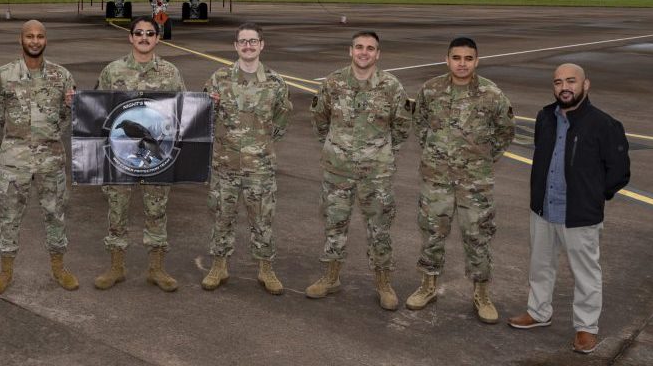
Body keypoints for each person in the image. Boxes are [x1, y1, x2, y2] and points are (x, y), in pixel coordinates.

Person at [507, 64, 630, 354]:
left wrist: (592, 196)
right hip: (543, 209)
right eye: (558, 81)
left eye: (571, 81)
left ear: (585, 84)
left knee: (586, 272)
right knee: (540, 266)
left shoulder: (604, 124)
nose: (565, 86)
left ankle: (586, 327)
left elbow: (618, 172)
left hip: (579, 214)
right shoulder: (544, 118)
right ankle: (538, 312)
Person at [405, 36, 515, 323]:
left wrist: (483, 160)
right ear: (447, 59)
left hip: (474, 183)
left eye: (468, 58)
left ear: (476, 61)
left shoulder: (491, 94)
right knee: (432, 233)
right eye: (457, 58)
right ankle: (428, 286)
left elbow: (505, 131)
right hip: (437, 179)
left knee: (478, 236)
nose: (462, 63)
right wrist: (436, 153)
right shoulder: (431, 90)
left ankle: (482, 293)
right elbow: (420, 124)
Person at [306, 31, 411, 310]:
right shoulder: (333, 83)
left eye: (370, 48)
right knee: (334, 224)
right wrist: (336, 148)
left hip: (376, 174)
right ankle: (331, 277)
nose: (364, 52)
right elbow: (319, 120)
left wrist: (381, 153)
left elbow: (402, 128)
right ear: (350, 51)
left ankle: (383, 283)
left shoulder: (391, 87)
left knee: (380, 229)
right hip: (338, 170)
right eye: (359, 47)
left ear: (378, 54)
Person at [0, 20, 78, 295]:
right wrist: (17, 138)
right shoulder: (3, 75)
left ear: (45, 40)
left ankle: (59, 268)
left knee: (55, 214)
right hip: (15, 161)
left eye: (39, 36)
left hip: (51, 160)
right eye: (29, 36)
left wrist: (48, 135)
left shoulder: (61, 76)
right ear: (21, 39)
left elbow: (68, 113)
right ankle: (5, 271)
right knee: (9, 217)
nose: (34, 41)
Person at [94, 16, 186, 292]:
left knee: (157, 210)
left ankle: (156, 269)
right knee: (116, 210)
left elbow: (183, 109)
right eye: (139, 33)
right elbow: (98, 108)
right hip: (120, 158)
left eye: (150, 33)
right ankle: (116, 267)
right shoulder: (112, 71)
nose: (144, 37)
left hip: (157, 158)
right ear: (130, 37)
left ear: (158, 38)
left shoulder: (171, 72)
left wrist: (206, 104)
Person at [200, 23, 292, 295]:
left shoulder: (275, 83)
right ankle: (219, 266)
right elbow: (204, 116)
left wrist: (257, 145)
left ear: (262, 45)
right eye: (243, 41)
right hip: (225, 165)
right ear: (235, 45)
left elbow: (281, 122)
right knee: (222, 217)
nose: (248, 46)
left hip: (260, 168)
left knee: (262, 220)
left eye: (253, 41)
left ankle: (266, 269)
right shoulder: (219, 79)